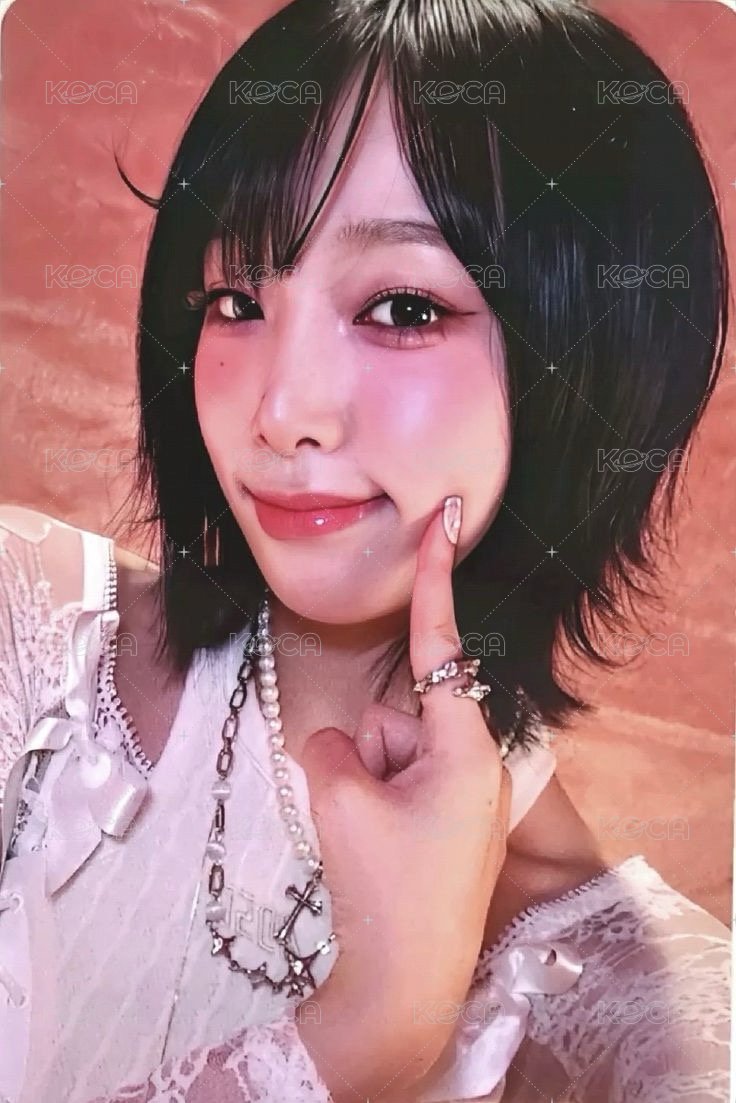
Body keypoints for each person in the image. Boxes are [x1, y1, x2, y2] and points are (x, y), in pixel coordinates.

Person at [0, 0, 731, 1100]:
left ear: (590, 359)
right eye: (237, 298)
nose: (282, 410)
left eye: (400, 307)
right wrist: (361, 1031)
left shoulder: (653, 1029)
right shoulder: (29, 635)